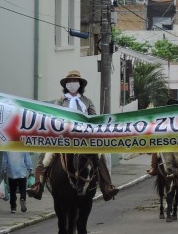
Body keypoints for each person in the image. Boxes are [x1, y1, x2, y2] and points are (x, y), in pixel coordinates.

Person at [28, 70, 120, 201]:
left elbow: (94, 119)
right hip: (63, 138)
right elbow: (55, 117)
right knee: (46, 156)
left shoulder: (87, 101)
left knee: (100, 156)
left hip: (84, 139)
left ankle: (107, 187)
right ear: (65, 85)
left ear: (80, 84)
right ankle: (38, 186)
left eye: (74, 81)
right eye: (69, 81)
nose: (72, 84)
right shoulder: (60, 101)